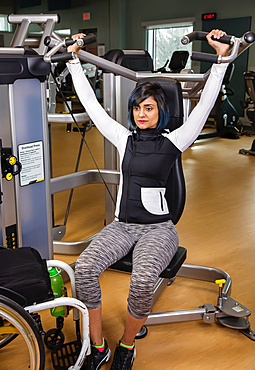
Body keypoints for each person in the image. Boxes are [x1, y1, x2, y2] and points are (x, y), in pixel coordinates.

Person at [67, 30, 229, 370]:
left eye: (149, 108)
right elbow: (93, 108)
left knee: (142, 282)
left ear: (161, 112)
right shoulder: (124, 139)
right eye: (137, 108)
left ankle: (127, 346)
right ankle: (97, 349)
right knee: (83, 269)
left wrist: (221, 61)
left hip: (158, 230)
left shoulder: (175, 141)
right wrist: (74, 62)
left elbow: (205, 105)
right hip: (122, 227)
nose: (142, 114)